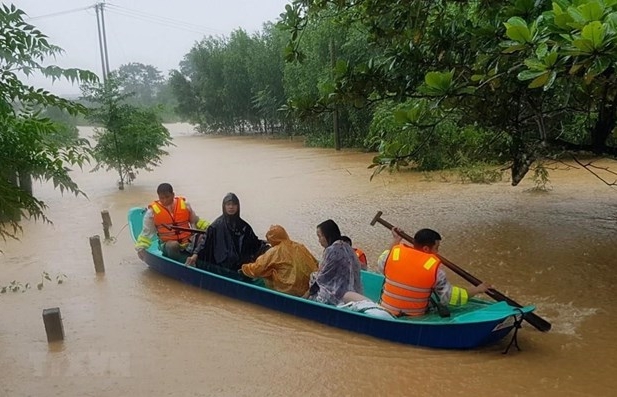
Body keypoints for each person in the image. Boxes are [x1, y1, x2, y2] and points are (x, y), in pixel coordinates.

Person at [378, 227, 492, 317]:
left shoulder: (392, 255)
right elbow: (450, 297)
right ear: (426, 249)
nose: (438, 251)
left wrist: (396, 240)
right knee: (435, 297)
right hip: (413, 316)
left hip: (386, 310)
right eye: (436, 248)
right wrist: (477, 289)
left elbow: (383, 263)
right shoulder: (435, 270)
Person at [186, 193, 268, 273]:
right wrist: (195, 255)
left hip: (240, 266)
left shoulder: (245, 227)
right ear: (224, 206)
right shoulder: (215, 226)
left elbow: (255, 244)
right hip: (220, 265)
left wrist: (269, 249)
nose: (231, 207)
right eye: (228, 204)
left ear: (238, 206)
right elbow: (204, 242)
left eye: (234, 204)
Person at [135, 183, 209, 262]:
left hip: (188, 242)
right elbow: (147, 232)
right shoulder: (152, 212)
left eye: (167, 197)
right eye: (161, 198)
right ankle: (178, 263)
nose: (165, 200)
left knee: (204, 237)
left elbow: (195, 221)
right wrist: (141, 248)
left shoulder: (184, 204)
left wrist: (209, 228)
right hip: (168, 245)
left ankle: (200, 260)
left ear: (173, 195)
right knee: (173, 245)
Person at [240, 225, 318, 296]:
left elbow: (258, 268)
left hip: (288, 288)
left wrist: (244, 268)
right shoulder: (300, 246)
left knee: (266, 272)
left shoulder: (274, 251)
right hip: (308, 287)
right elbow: (316, 263)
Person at [306, 219, 364, 305]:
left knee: (313, 277)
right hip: (354, 291)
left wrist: (306, 295)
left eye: (320, 236)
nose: (319, 240)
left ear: (327, 235)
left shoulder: (332, 250)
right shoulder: (347, 246)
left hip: (338, 294)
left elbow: (322, 279)